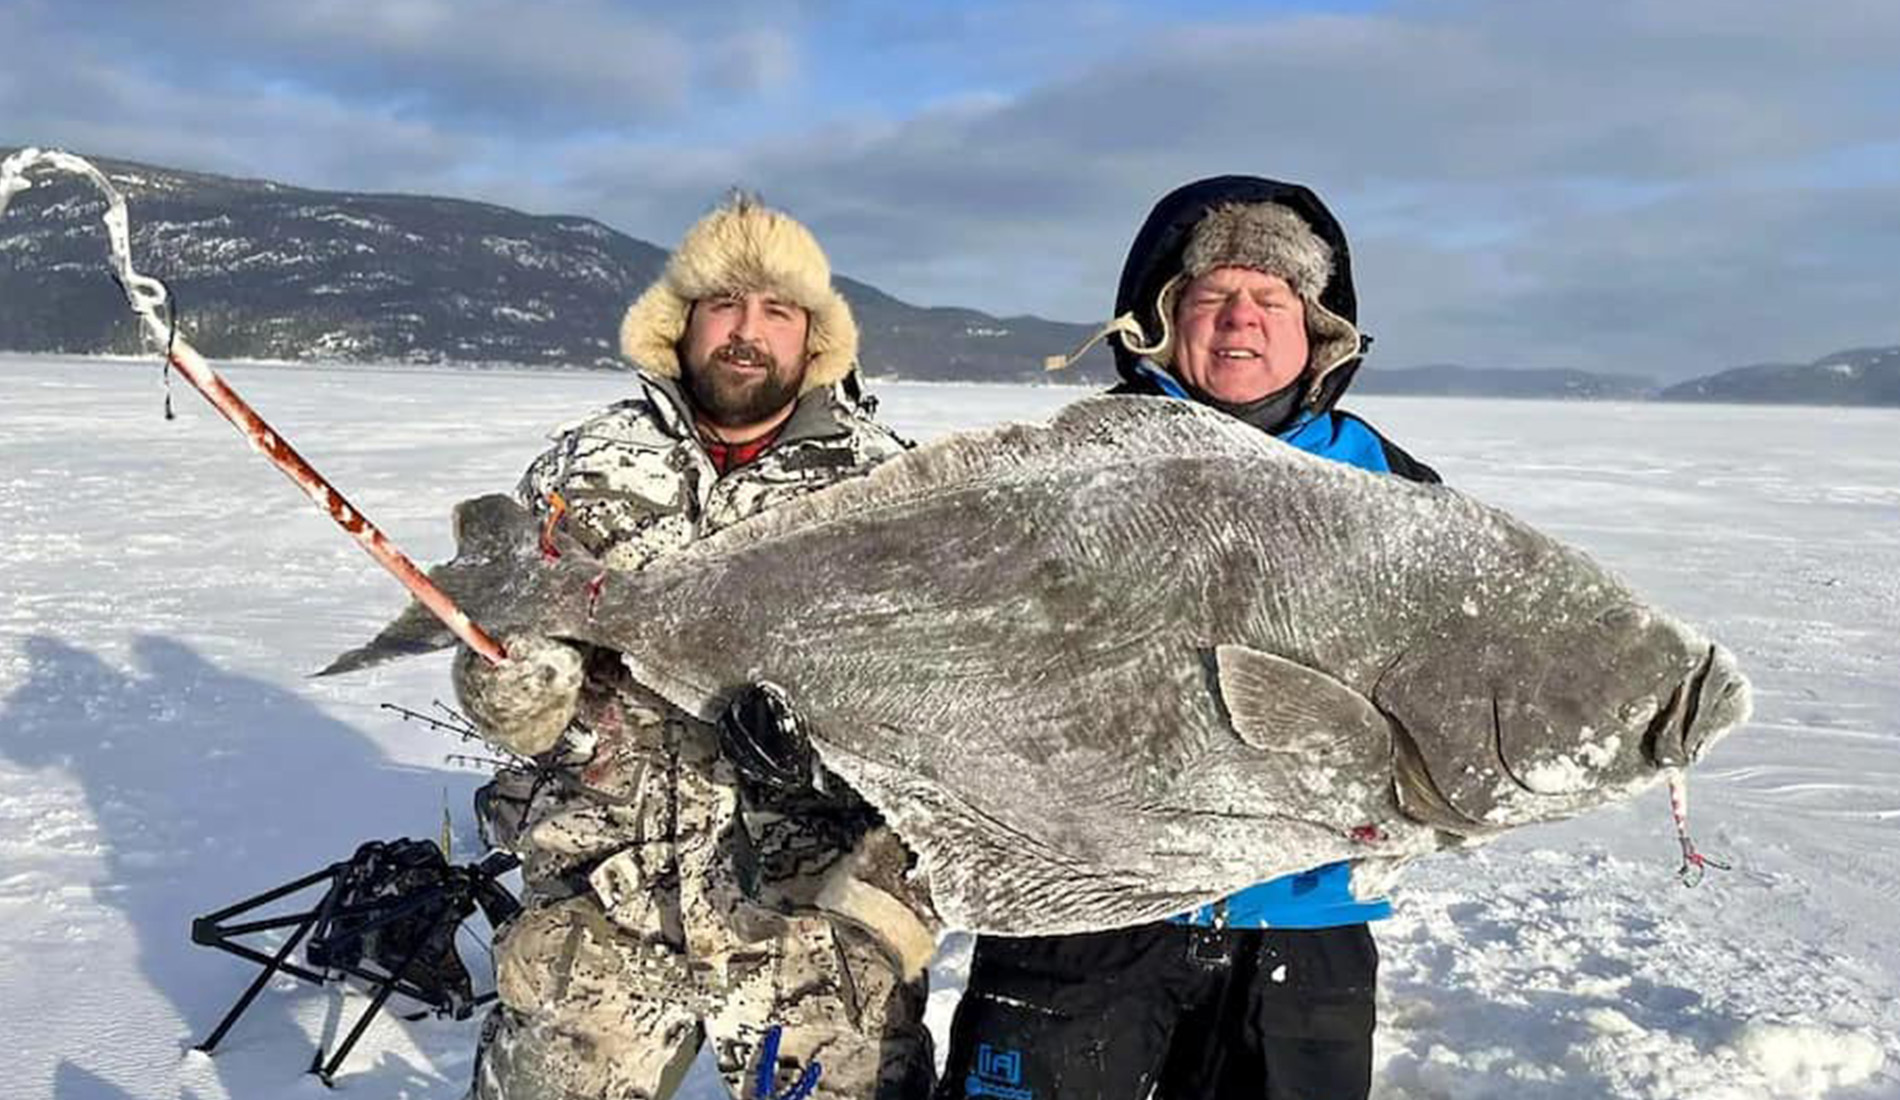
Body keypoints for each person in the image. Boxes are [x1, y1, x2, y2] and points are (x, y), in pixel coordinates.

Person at [934, 176, 1441, 1100]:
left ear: (1318, 327)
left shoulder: (1396, 491)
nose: (1239, 320)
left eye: (1271, 299)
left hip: (1302, 924)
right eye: (1212, 298)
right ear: (1162, 319)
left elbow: (1451, 687)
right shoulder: (1063, 467)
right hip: (1082, 906)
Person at [454, 192, 936, 1100]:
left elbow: (939, 711)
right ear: (680, 324)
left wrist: (819, 769)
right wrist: (518, 688)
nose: (747, 332)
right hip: (602, 908)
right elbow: (501, 680)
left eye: (777, 311)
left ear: (813, 338)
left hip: (816, 918)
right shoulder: (581, 466)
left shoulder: (890, 488)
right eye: (724, 306)